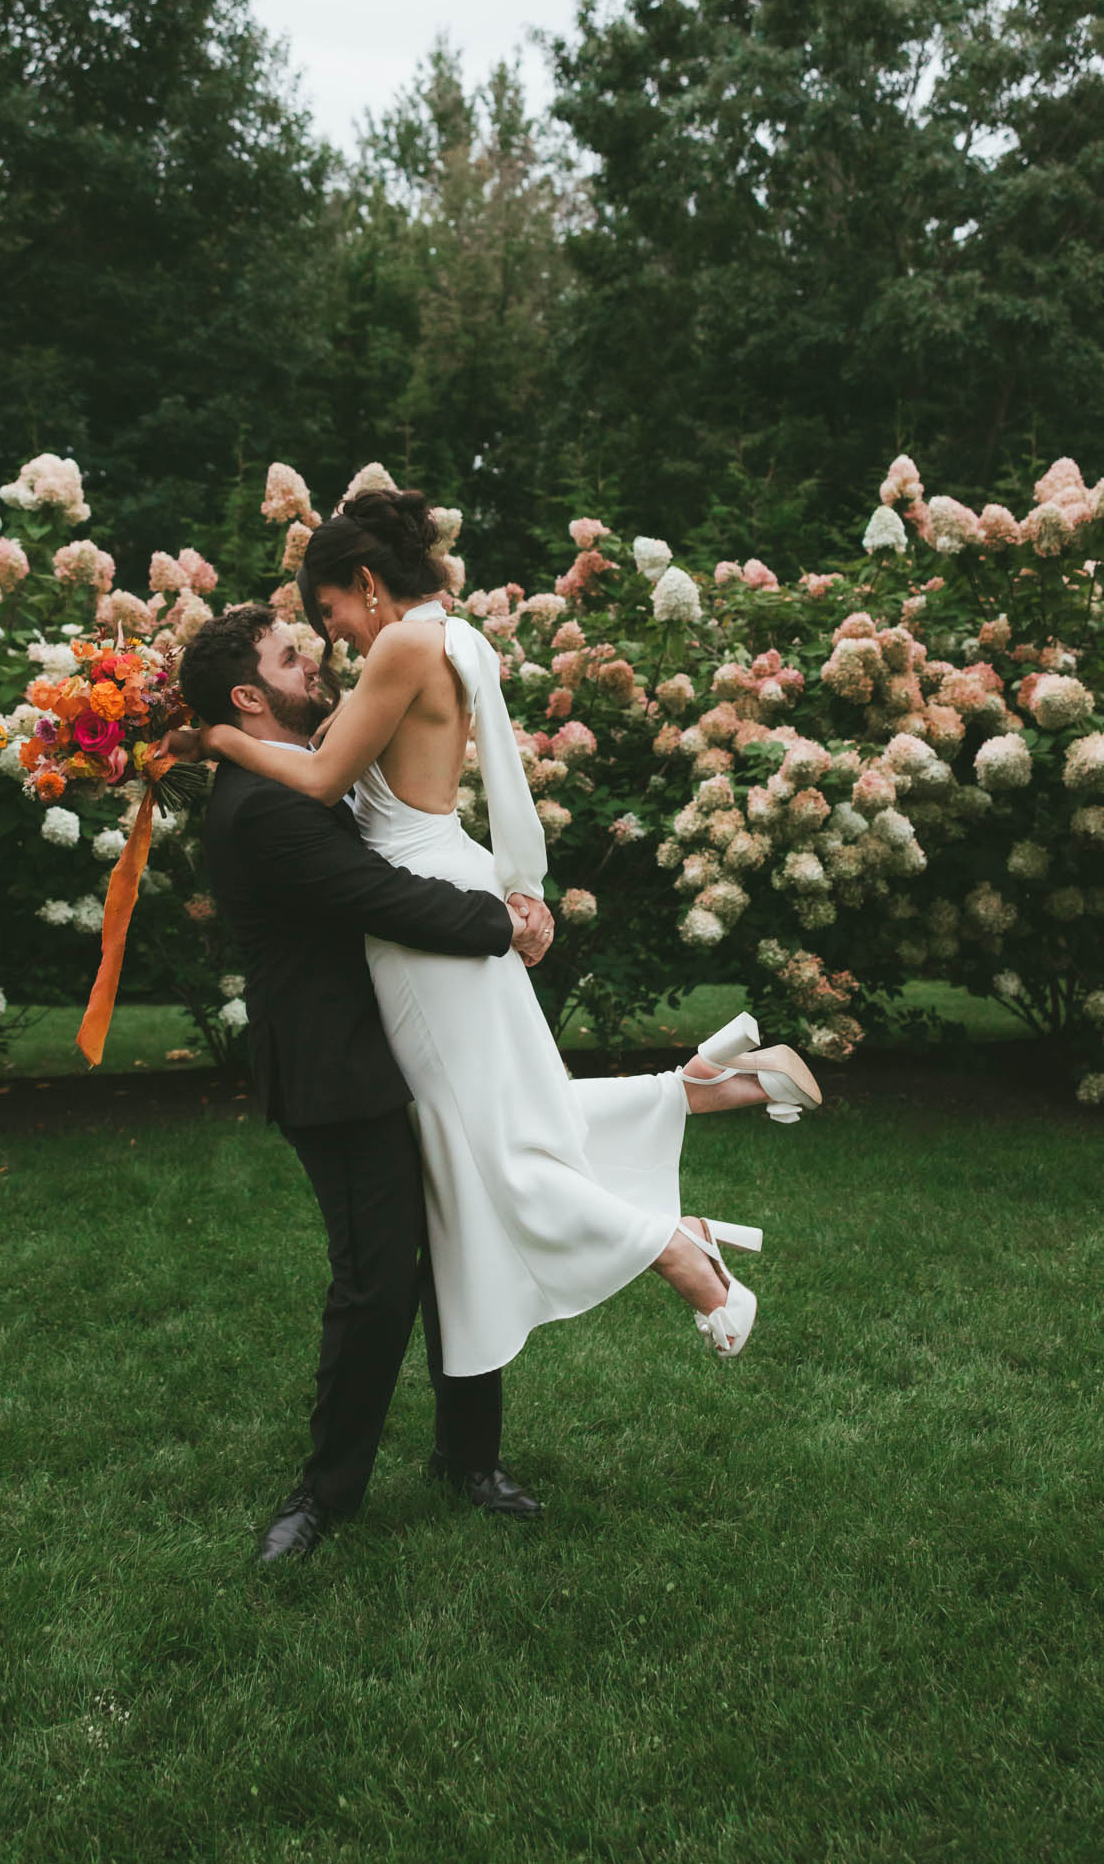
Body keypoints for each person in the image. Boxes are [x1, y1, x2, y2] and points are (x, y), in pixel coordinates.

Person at [195, 491, 823, 1384]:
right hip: (452, 867)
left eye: (328, 611)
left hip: (418, 909)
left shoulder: (406, 645)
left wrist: (219, 737)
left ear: (367, 583)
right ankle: (709, 1086)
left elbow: (326, 776)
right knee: (514, 1109)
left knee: (480, 1138)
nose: (329, 635)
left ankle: (680, 1256)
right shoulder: (456, 637)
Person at [176, 604, 551, 1563]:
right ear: (253, 696)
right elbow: (379, 898)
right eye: (290, 657)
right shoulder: (260, 808)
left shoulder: (308, 775)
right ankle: (324, 1496)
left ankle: (468, 1460)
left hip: (407, 1043)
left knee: (462, 1240)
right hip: (335, 1067)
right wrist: (501, 924)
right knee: (378, 1284)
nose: (317, 661)